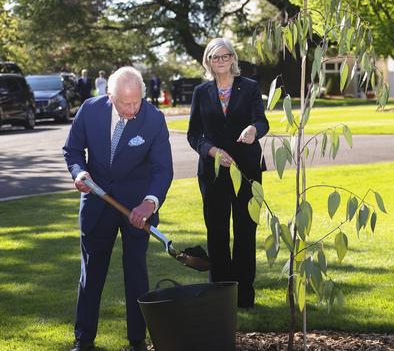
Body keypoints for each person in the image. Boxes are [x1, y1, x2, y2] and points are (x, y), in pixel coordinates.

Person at [62, 66, 173, 351]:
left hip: (137, 210)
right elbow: (73, 150)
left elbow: (163, 170)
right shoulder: (89, 110)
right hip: (97, 204)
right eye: (126, 103)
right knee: (92, 273)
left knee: (136, 273)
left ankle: (137, 340)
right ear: (109, 96)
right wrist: (79, 172)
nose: (132, 108)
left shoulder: (153, 119)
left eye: (137, 101)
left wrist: (149, 203)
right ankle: (83, 339)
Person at [187, 37, 269, 309]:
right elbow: (194, 134)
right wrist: (212, 152)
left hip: (246, 171)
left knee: (246, 233)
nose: (220, 61)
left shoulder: (251, 87)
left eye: (225, 56)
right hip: (213, 174)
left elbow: (262, 120)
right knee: (218, 234)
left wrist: (254, 129)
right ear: (208, 62)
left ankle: (244, 298)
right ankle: (221, 297)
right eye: (215, 57)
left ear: (233, 58)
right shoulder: (201, 92)